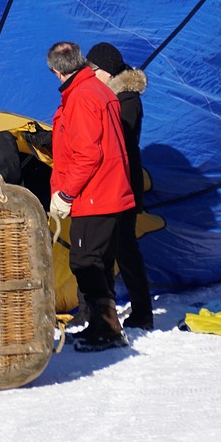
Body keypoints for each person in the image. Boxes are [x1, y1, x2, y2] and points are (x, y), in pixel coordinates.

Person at [46, 41, 135, 350]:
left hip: (95, 194)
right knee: (97, 261)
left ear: (56, 71)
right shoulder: (97, 91)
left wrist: (65, 194)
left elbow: (87, 155)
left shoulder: (81, 97)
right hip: (109, 191)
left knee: (85, 262)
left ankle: (109, 329)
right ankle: (100, 324)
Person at [86, 42, 154, 330]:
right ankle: (109, 310)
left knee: (124, 249)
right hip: (113, 183)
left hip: (122, 183)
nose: (89, 74)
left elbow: (118, 142)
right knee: (113, 249)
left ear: (106, 70)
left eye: (93, 70)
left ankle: (141, 312)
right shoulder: (111, 96)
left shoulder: (126, 101)